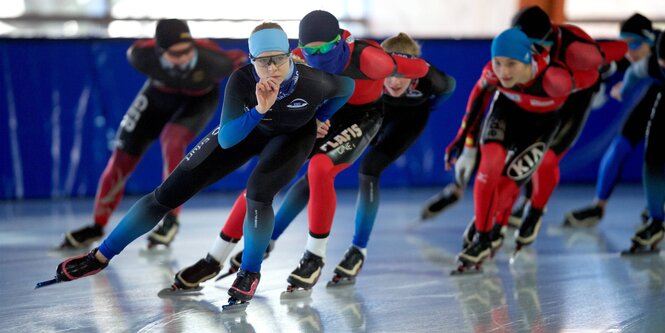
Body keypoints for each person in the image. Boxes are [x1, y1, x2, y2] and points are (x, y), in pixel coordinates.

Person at [46, 22, 356, 307]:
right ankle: (100, 256)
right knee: (165, 195)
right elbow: (229, 140)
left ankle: (249, 273)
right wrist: (260, 109)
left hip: (291, 137)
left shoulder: (315, 83)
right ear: (251, 60)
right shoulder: (242, 80)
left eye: (279, 59)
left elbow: (346, 89)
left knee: (258, 195)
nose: (273, 68)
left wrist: (320, 118)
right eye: (264, 61)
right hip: (246, 130)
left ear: (290, 55)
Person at [169, 11, 430, 292]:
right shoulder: (293, 58)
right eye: (310, 51)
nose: (319, 57)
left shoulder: (370, 58)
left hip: (361, 116)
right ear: (300, 49)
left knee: (319, 169)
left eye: (327, 49)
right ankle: (214, 257)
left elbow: (426, 72)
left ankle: (315, 255)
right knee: (263, 179)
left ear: (340, 42)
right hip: (323, 114)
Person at [59, 19, 246, 249]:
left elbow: (245, 64)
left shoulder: (215, 61)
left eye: (188, 50)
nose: (185, 57)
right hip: (157, 97)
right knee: (121, 158)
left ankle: (171, 219)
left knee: (172, 139)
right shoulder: (139, 55)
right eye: (176, 54)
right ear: (160, 53)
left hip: (198, 100)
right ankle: (96, 226)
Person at [495, 6, 627, 249]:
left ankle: (535, 210)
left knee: (547, 158)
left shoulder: (576, 48)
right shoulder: (519, 51)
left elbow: (613, 54)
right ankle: (526, 204)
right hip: (544, 96)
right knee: (524, 151)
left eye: (536, 47)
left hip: (574, 98)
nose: (530, 54)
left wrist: (607, 71)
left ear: (549, 40)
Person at [445, 28, 573, 271]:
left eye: (511, 64)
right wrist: (465, 141)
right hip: (507, 109)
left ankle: (529, 213)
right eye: (498, 63)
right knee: (489, 164)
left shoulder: (555, 78)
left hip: (541, 124)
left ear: (526, 61)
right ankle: (483, 236)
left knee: (508, 184)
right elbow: (477, 100)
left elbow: (585, 88)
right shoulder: (492, 74)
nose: (503, 71)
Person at [564, 13, 661, 227]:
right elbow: (607, 69)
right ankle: (598, 206)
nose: (629, 52)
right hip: (655, 95)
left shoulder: (661, 49)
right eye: (623, 46)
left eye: (634, 45)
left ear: (650, 41)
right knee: (620, 145)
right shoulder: (630, 56)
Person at [621, 33, 665, 253]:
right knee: (653, 155)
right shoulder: (651, 65)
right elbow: (632, 73)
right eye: (663, 66)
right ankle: (657, 221)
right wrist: (623, 90)